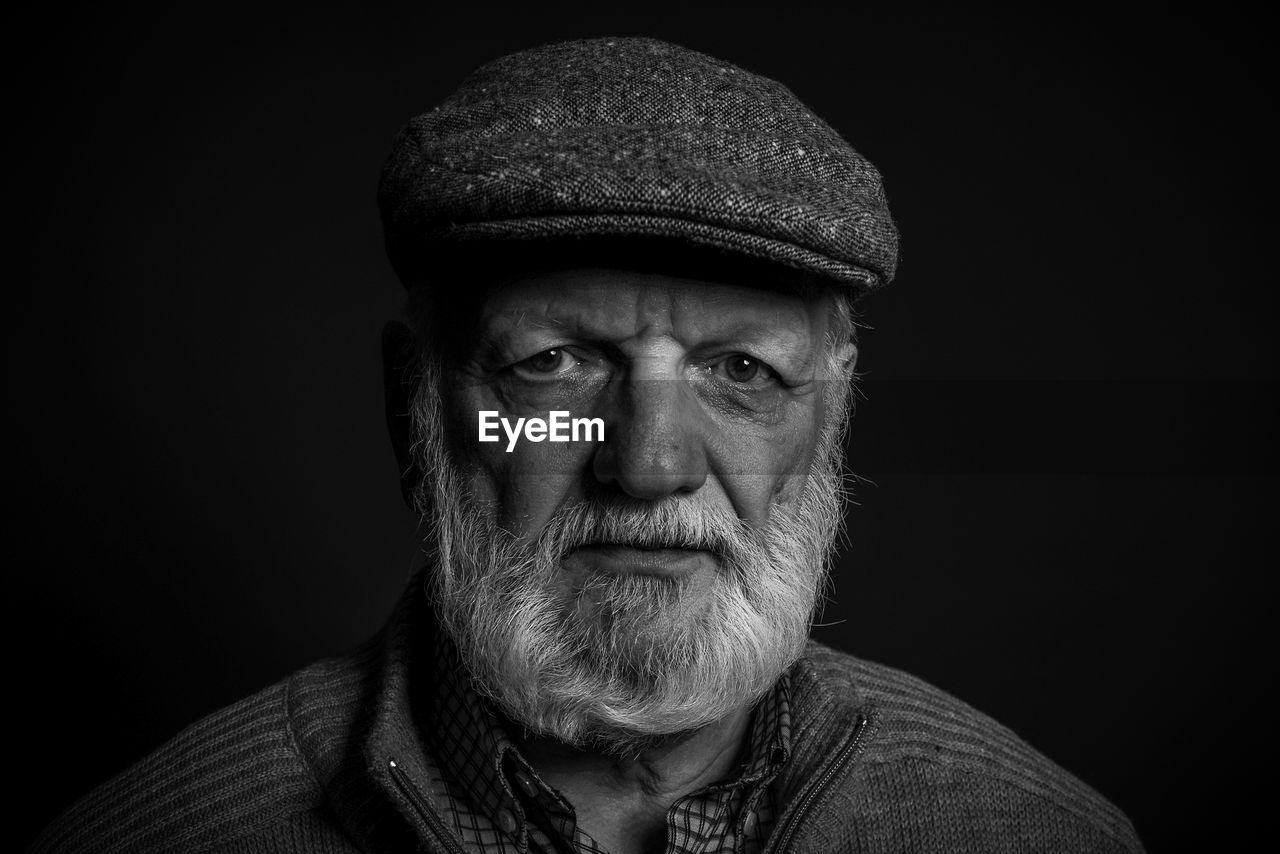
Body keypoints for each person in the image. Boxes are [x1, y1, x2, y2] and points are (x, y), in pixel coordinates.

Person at [32, 37, 1144, 854]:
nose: (650, 464)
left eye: (741, 373)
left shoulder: (1033, 830)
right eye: (553, 365)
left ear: (830, 412)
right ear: (412, 405)